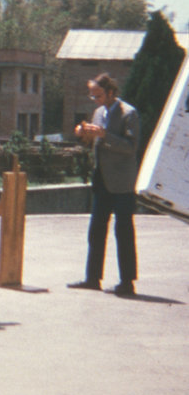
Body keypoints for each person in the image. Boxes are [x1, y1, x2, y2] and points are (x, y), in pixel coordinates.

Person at [68, 73, 140, 296]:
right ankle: (92, 277)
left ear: (111, 92)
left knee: (123, 230)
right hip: (101, 179)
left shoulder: (129, 114)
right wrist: (83, 134)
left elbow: (131, 146)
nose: (95, 100)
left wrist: (104, 135)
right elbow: (95, 141)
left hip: (122, 182)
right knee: (96, 229)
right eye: (92, 96)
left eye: (98, 95)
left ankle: (127, 281)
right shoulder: (99, 112)